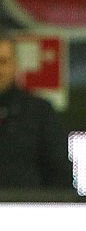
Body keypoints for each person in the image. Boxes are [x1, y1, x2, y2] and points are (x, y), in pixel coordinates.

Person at [0, 34, 72, 190]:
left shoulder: (39, 112)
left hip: (27, 210)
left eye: (2, 61)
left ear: (15, 65)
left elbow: (60, 173)